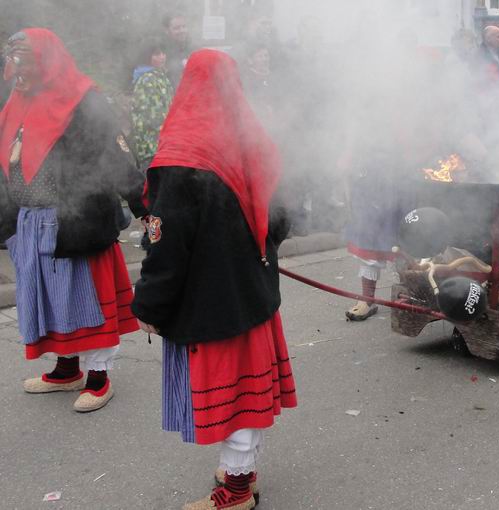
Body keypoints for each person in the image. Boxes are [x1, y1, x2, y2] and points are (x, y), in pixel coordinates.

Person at [131, 49, 296, 510]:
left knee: (236, 402)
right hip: (252, 296)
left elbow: (167, 244)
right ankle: (241, 475)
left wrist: (149, 305)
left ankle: (236, 492)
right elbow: (281, 219)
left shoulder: (181, 154)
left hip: (213, 305)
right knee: (250, 396)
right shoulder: (253, 139)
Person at [0, 29, 147, 411]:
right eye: (14, 63)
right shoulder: (18, 100)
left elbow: (115, 158)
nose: (17, 72)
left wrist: (145, 206)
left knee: (85, 300)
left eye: (25, 61)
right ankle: (67, 369)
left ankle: (98, 377)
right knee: (50, 301)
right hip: (32, 222)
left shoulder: (83, 99)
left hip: (75, 220)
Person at [130, 37, 174, 170]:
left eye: (163, 53)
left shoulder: (160, 77)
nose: (162, 57)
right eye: (157, 54)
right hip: (151, 147)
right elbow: (153, 117)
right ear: (146, 57)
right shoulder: (147, 80)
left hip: (162, 145)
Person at [162, 13, 192, 87]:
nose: (182, 31)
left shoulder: (193, 49)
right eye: (177, 28)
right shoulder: (161, 52)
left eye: (184, 27)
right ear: (166, 30)